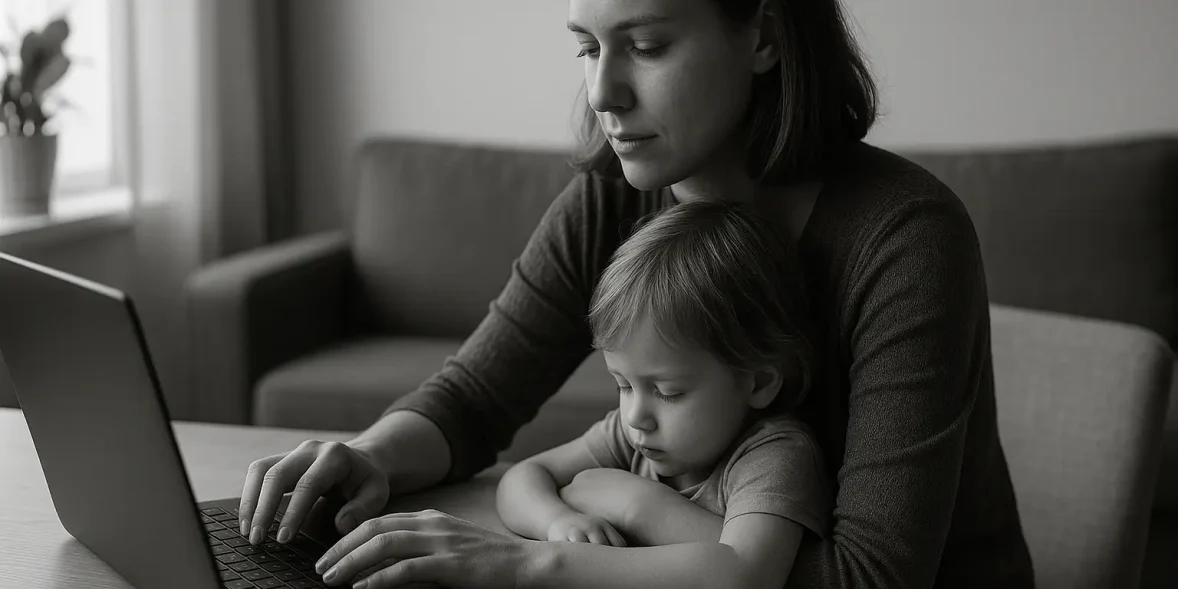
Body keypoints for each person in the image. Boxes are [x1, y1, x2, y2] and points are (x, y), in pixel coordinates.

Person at [237, 0, 1036, 587]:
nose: (602, 93)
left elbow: (870, 578)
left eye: (646, 46)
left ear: (763, 35)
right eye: (587, 48)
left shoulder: (905, 238)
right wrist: (372, 454)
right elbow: (476, 398)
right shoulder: (613, 196)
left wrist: (555, 547)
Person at [495, 199, 829, 588]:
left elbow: (746, 574)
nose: (635, 415)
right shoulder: (630, 435)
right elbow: (522, 478)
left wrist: (637, 505)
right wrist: (556, 520)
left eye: (667, 392)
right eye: (622, 385)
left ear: (758, 383)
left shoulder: (774, 456)